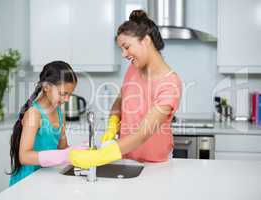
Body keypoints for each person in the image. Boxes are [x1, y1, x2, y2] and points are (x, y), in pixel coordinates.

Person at [69, 10, 182, 168]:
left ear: (146, 41)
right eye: (121, 49)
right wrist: (112, 125)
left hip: (156, 165)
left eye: (126, 47)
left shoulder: (170, 83)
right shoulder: (133, 68)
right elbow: (120, 100)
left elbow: (144, 133)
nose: (123, 54)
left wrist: (99, 157)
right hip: (125, 159)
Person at [9, 61, 85, 186]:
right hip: (27, 181)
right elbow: (24, 156)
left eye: (69, 94)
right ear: (46, 87)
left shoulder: (60, 113)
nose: (66, 99)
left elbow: (62, 148)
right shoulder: (34, 114)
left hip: (46, 178)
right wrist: (64, 155)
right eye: (62, 94)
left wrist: (79, 154)